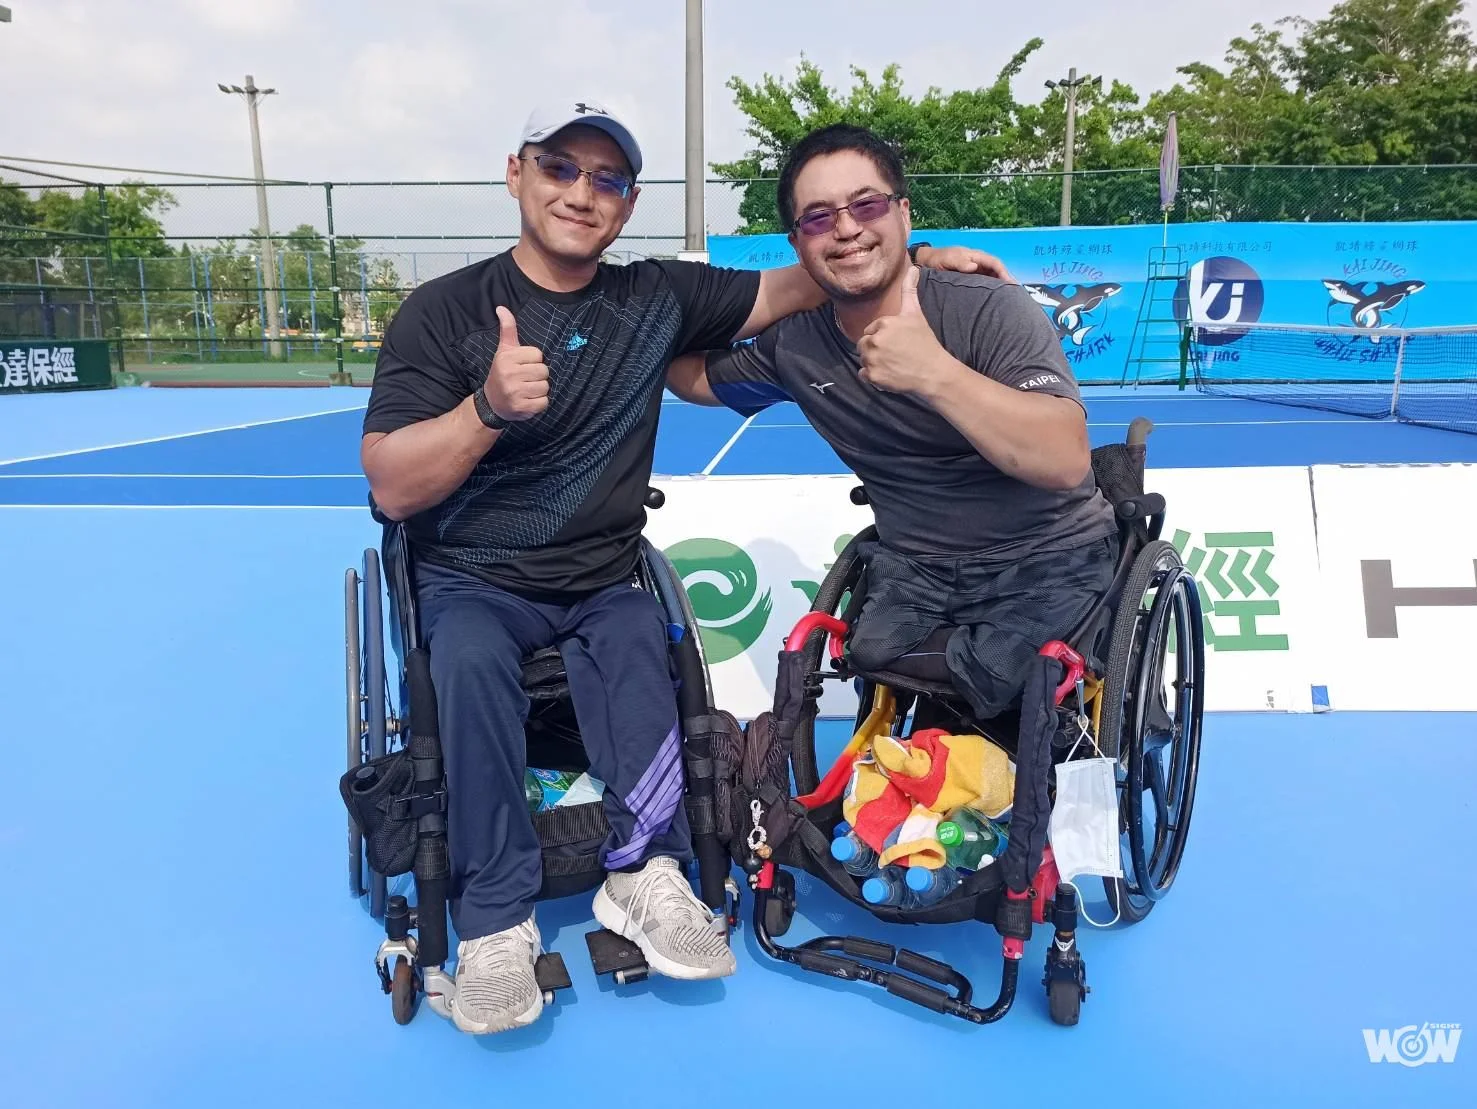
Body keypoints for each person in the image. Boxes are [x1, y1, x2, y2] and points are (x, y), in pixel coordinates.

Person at [359, 100, 1002, 1036]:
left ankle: (645, 871)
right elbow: (389, 485)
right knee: (461, 657)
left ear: (627, 202)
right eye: (560, 169)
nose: (582, 193)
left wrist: (920, 267)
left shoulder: (651, 297)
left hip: (601, 578)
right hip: (472, 579)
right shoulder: (446, 311)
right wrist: (487, 409)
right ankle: (495, 918)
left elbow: (804, 281)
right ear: (516, 173)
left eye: (607, 179)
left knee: (637, 638)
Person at [667, 123, 1119, 725]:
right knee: (865, 655)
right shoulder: (796, 346)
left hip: (1050, 558)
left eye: (867, 205)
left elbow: (1064, 460)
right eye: (820, 218)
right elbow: (693, 378)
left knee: (1005, 677)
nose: (848, 228)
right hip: (917, 571)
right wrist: (652, 331)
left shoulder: (986, 306)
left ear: (903, 213)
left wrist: (933, 372)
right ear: (797, 243)